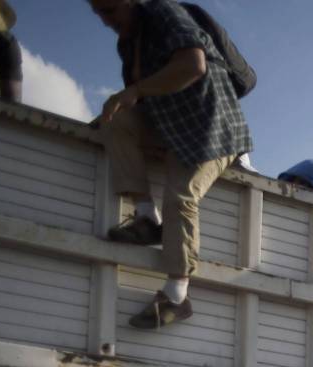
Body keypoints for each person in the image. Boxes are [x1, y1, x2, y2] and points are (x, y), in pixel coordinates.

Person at [91, 0, 253, 330]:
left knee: (180, 196)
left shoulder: (163, 12)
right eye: (98, 12)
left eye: (109, 10)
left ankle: (177, 295)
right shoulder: (127, 43)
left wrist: (132, 91)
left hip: (212, 126)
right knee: (116, 121)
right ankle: (147, 217)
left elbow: (194, 65)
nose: (105, 20)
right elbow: (138, 98)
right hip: (171, 126)